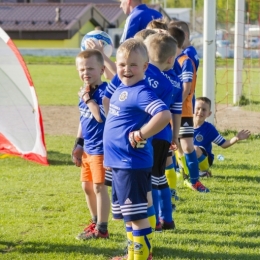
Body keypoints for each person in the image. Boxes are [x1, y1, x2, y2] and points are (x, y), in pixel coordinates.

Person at [104, 38, 171, 260]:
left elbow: (163, 114)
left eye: (133, 65)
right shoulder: (121, 88)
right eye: (122, 64)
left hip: (131, 164)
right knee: (129, 215)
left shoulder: (141, 91)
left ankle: (141, 257)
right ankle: (134, 254)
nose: (127, 69)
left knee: (137, 215)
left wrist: (142, 134)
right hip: (119, 164)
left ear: (145, 67)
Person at [72, 49, 110, 240]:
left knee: (99, 187)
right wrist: (79, 143)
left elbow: (100, 117)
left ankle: (102, 230)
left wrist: (88, 100)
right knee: (86, 187)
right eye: (82, 69)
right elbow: (84, 119)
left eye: (90, 69)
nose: (85, 73)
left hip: (101, 150)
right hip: (88, 149)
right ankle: (94, 222)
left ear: (102, 69)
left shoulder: (105, 92)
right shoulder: (84, 92)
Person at [169, 26, 209, 193]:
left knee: (187, 146)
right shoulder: (167, 60)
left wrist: (173, 103)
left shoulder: (185, 61)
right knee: (171, 147)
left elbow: (186, 88)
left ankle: (195, 180)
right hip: (166, 111)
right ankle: (173, 183)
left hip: (183, 111)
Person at [193, 97, 251, 177]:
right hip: (189, 157)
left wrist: (236, 138)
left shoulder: (209, 129)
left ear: (209, 114)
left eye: (204, 110)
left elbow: (223, 144)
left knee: (195, 149)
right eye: (198, 108)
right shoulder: (185, 125)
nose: (200, 112)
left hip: (205, 158)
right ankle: (183, 169)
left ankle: (204, 170)